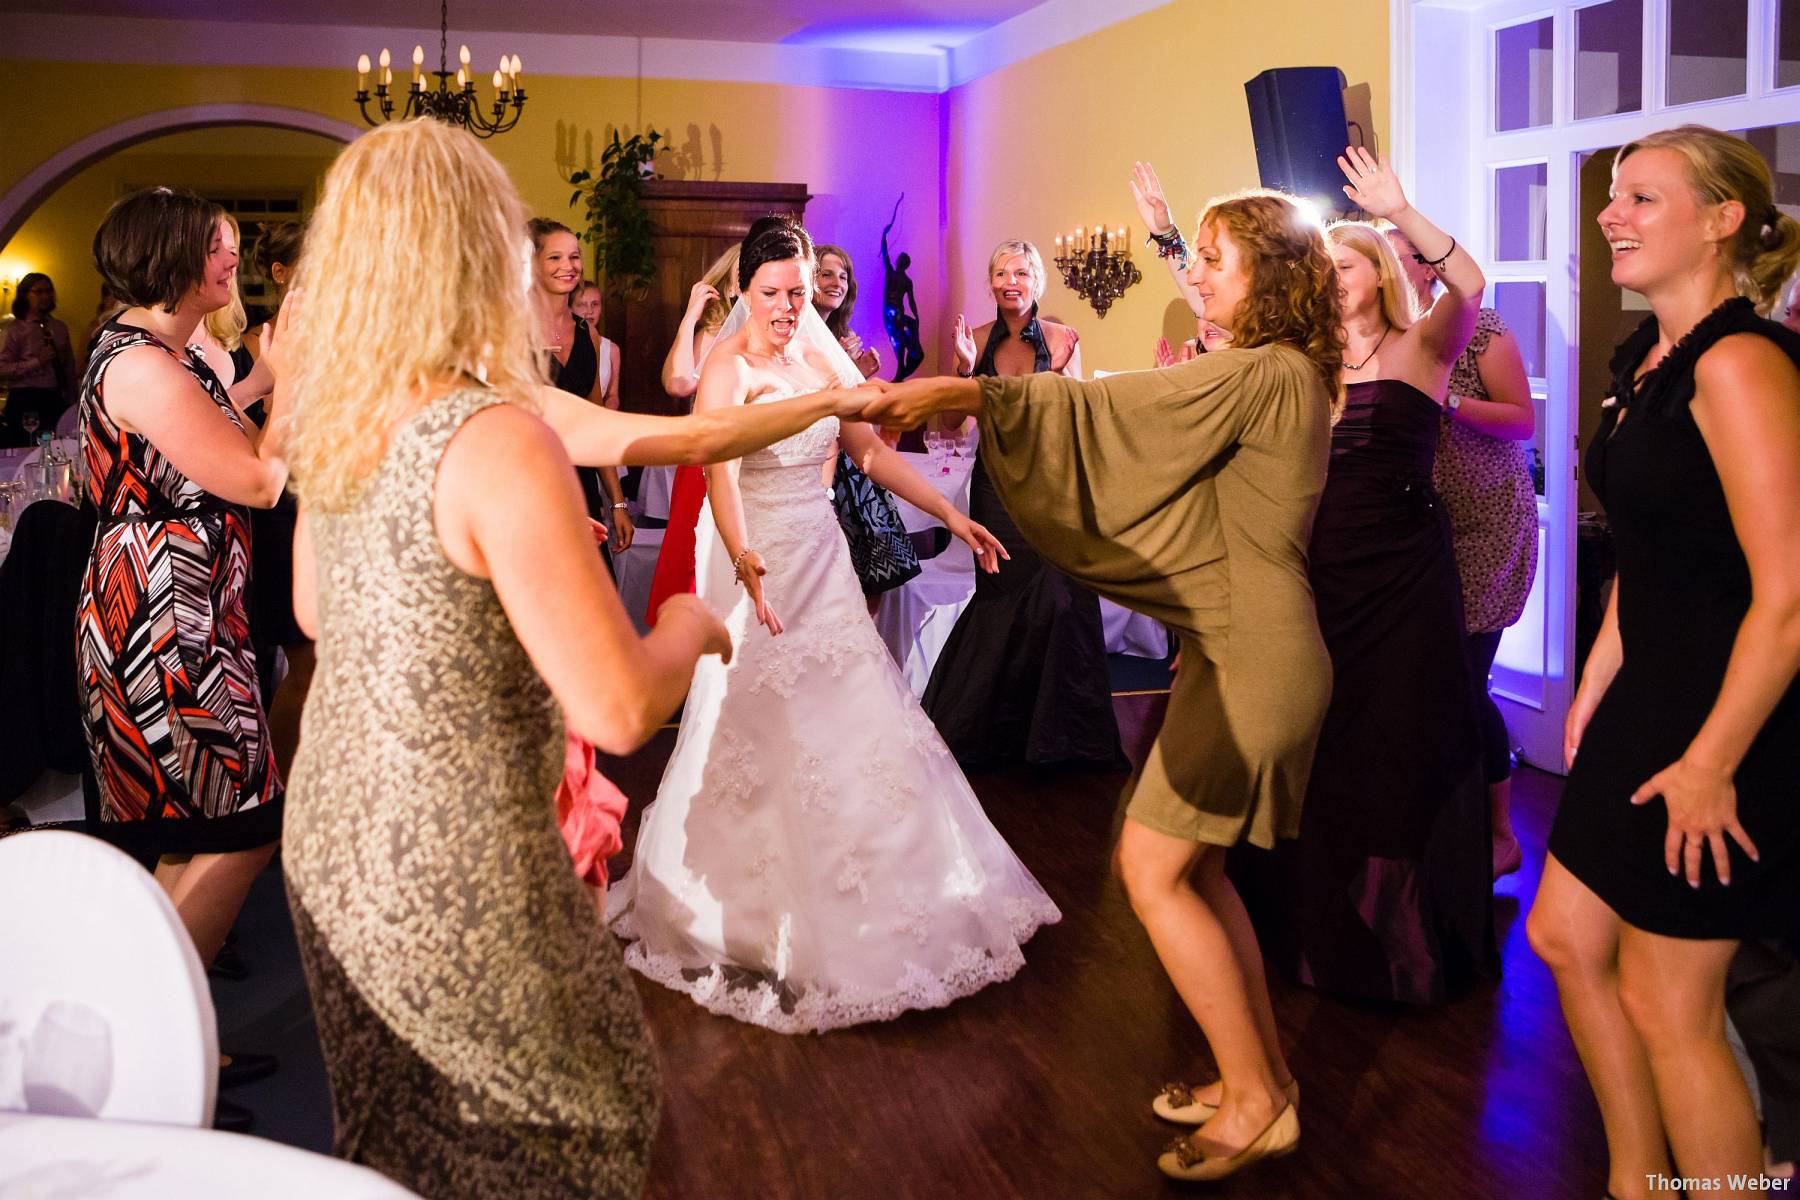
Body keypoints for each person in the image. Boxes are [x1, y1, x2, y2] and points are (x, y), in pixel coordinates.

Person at [278, 120, 877, 1198]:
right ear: (475, 260)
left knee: (402, 1136)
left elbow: (316, 611)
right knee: (570, 1121)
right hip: (451, 843)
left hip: (332, 830)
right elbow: (615, 707)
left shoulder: (346, 418)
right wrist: (691, 620)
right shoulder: (494, 435)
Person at [862, 186, 1341, 1183]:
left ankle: (1258, 1102)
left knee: (1154, 872)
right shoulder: (1272, 369)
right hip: (1229, 646)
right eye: (1194, 255)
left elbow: (1120, 411)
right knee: (1196, 873)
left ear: (1278, 280)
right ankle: (1261, 1076)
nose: (1195, 273)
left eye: (1214, 258)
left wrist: (960, 394)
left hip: (1256, 652)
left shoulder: (1268, 370)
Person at [605, 216, 1061, 1036]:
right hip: (758, 563)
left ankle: (886, 888)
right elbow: (716, 471)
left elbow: (873, 454)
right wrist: (743, 560)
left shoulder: (821, 358)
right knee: (759, 720)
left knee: (855, 709)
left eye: (796, 293)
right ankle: (747, 908)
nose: (786, 309)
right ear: (745, 290)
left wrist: (949, 517)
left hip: (820, 554)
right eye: (772, 294)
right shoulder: (728, 366)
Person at [1526, 124, 1800, 1200]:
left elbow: (1785, 597)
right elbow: (1654, 544)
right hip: (1650, 698)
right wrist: (1597, 676)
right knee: (1561, 936)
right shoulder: (1647, 360)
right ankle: (1638, 1180)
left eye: (1642, 197)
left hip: (1730, 717)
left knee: (1669, 1002)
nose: (1611, 215)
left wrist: (1711, 762)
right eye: (1612, 196)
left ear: (1725, 219)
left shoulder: (1740, 362)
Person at [1241, 152, 1496, 1007]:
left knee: (1400, 744)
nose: (1329, 275)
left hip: (1403, 584)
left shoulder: (1423, 343)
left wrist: (1401, 208)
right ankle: (1315, 930)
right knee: (1324, 748)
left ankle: (1408, 946)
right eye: (1321, 265)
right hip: (1316, 579)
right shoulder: (1298, 364)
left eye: (1343, 261)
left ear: (1377, 272)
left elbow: (1469, 284)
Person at [78, 189, 288, 978]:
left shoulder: (172, 357)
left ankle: (160, 1034)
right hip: (160, 622)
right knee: (246, 824)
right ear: (171, 260)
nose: (232, 258)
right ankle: (159, 1023)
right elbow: (262, 480)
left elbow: (244, 442)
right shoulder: (139, 364)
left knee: (193, 826)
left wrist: (265, 379)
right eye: (215, 247)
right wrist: (290, 378)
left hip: (194, 611)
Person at [920, 239, 1124, 771]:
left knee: (1059, 599)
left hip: (1052, 485)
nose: (1011, 280)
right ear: (990, 284)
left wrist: (1056, 374)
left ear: (1037, 281)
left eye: (1020, 272)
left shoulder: (1062, 339)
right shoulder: (976, 340)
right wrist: (965, 371)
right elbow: (947, 425)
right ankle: (988, 735)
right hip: (996, 488)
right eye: (1000, 272)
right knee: (1002, 596)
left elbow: (1077, 420)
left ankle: (1059, 738)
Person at [1387, 224, 1539, 880]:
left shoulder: (1481, 328)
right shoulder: (1383, 338)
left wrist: (1444, 400)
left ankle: (1502, 834)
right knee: (1424, 684)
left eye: (1393, 259)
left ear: (1427, 268)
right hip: (1416, 529)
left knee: (1464, 682)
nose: (1382, 272)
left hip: (1487, 529)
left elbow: (1522, 420)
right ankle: (1439, 826)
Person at [646, 247, 741, 625]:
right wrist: (690, 317)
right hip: (705, 461)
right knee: (693, 559)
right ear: (731, 281)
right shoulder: (713, 333)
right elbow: (678, 381)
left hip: (754, 462)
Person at [529, 218, 632, 554]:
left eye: (574, 257)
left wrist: (617, 503)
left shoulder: (588, 333)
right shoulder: (509, 330)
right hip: (531, 479)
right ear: (531, 265)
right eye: (555, 258)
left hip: (582, 482)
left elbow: (596, 421)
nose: (568, 266)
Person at [0, 272, 77, 445]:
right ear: (25, 295)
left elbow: (68, 365)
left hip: (54, 397)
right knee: (25, 446)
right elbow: (2, 368)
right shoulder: (14, 330)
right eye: (39, 292)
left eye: (49, 291)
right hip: (25, 398)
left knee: (59, 447)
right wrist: (37, 362)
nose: (45, 297)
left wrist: (73, 398)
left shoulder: (59, 327)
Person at [813, 243, 881, 378]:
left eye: (843, 277)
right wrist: (836, 361)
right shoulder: (791, 331)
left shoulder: (844, 333)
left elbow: (842, 393)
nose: (837, 284)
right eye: (826, 275)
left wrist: (858, 374)